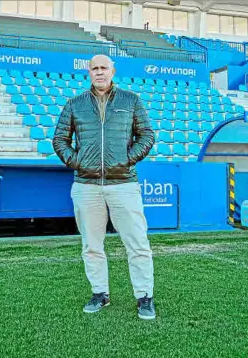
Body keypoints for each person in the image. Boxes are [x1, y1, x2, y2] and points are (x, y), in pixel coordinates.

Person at [53, 55, 156, 320]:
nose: (99, 72)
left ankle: (144, 296)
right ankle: (100, 293)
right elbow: (59, 140)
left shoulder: (131, 100)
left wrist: (126, 159)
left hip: (123, 184)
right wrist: (77, 162)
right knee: (91, 246)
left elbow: (147, 135)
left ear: (113, 71)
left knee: (138, 244)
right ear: (89, 72)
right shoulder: (74, 104)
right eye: (94, 68)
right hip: (86, 186)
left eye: (104, 68)